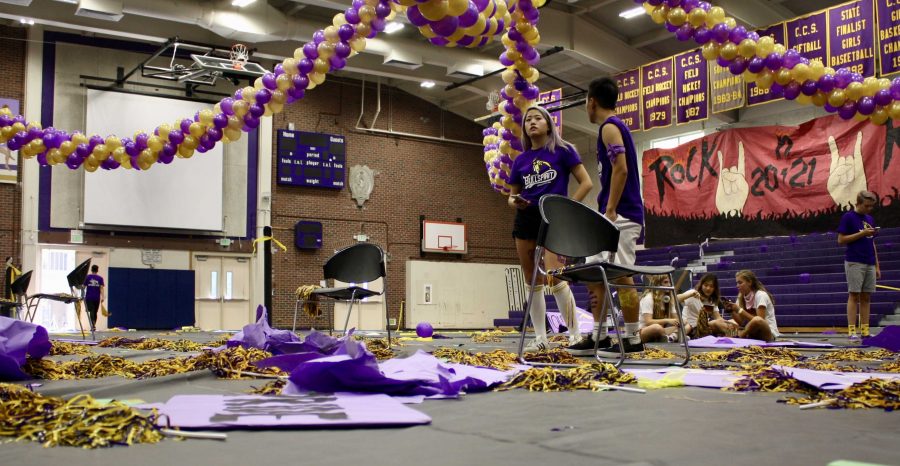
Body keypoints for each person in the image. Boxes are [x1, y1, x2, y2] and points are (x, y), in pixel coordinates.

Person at [567, 77, 647, 357]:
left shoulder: (610, 127)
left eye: (586, 102)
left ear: (591, 101)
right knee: (592, 271)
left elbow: (621, 169)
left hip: (621, 215)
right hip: (610, 215)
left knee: (622, 275)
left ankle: (633, 338)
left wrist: (611, 208)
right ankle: (599, 336)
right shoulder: (612, 127)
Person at [509, 105, 593, 351]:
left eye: (538, 118)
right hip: (526, 218)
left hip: (553, 217)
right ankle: (541, 339)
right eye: (528, 120)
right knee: (531, 278)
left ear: (548, 124)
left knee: (555, 276)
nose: (532, 122)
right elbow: (511, 196)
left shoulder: (563, 151)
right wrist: (516, 201)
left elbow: (586, 183)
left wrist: (566, 208)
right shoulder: (520, 160)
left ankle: (575, 335)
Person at [837, 190, 880, 340]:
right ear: (858, 203)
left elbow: (872, 242)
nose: (869, 209)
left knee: (866, 296)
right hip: (854, 260)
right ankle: (851, 330)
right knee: (854, 295)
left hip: (869, 261)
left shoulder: (870, 219)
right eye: (867, 206)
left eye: (871, 206)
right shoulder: (848, 217)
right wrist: (861, 233)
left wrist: (876, 264)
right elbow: (841, 240)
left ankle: (865, 330)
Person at [637, 274, 694, 343]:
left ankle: (671, 337)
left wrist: (681, 322)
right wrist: (667, 320)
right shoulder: (648, 298)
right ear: (657, 284)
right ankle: (677, 336)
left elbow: (676, 319)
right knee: (657, 328)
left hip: (662, 330)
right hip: (644, 331)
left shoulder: (669, 299)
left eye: (670, 282)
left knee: (688, 325)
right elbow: (648, 322)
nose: (669, 285)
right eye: (666, 282)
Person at [724, 270, 779, 342]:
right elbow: (740, 322)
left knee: (757, 320)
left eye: (740, 283)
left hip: (767, 333)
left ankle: (739, 337)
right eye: (737, 283)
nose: (737, 286)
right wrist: (731, 311)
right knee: (730, 322)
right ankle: (732, 338)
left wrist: (740, 310)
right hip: (752, 332)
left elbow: (760, 321)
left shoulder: (760, 295)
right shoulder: (741, 297)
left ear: (749, 282)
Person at [680, 273, 736, 339]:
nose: (708, 288)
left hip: (704, 328)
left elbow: (718, 318)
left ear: (714, 288)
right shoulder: (693, 293)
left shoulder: (712, 300)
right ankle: (736, 336)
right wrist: (689, 295)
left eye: (711, 286)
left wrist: (729, 322)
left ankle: (734, 335)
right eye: (706, 285)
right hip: (691, 328)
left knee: (732, 321)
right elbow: (676, 298)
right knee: (716, 323)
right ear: (701, 285)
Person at [83, 265, 105, 332]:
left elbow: (83, 287)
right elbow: (101, 288)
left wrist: (81, 295)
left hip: (89, 297)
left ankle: (93, 325)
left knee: (92, 311)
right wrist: (103, 296)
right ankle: (93, 325)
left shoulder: (87, 277)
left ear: (91, 270)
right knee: (95, 312)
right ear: (97, 270)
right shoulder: (100, 278)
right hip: (96, 298)